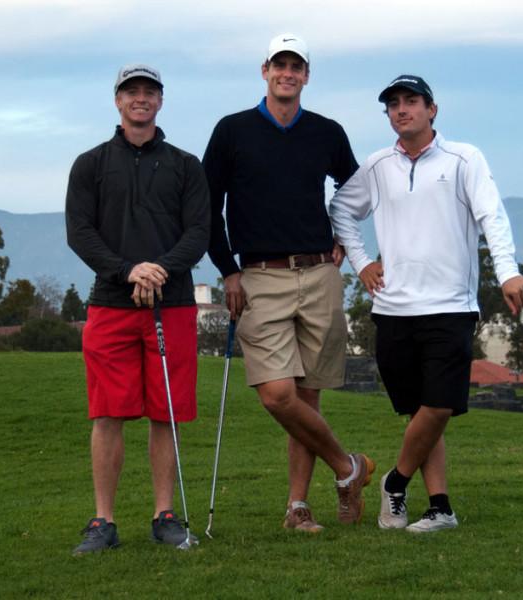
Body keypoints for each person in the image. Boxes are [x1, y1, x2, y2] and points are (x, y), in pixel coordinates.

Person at [329, 75, 523, 533]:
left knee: (438, 406)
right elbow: (341, 209)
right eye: (393, 105)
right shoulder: (378, 165)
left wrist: (507, 271)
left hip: (450, 306)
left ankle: (394, 484)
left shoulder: (465, 159)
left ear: (432, 109)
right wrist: (361, 263)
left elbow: (491, 216)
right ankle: (439, 506)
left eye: (411, 102)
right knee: (421, 410)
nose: (402, 110)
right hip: (393, 308)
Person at [203, 34, 373, 532]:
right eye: (280, 64)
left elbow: (355, 189)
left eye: (296, 66)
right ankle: (349, 469)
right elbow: (208, 207)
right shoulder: (232, 131)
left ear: (306, 74)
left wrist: (343, 236)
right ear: (265, 70)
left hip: (320, 272)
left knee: (307, 396)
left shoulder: (326, 131)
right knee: (278, 395)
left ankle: (298, 507)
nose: (288, 73)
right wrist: (226, 269)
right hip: (258, 275)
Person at [66, 64, 210, 553]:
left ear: (161, 102)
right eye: (132, 92)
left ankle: (164, 514)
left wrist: (158, 270)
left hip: (171, 304)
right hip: (111, 303)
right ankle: (103, 521)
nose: (141, 99)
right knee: (107, 413)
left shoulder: (186, 165)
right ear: (118, 101)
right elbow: (80, 232)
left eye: (149, 92)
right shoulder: (90, 163)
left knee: (164, 413)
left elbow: (198, 233)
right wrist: (128, 270)